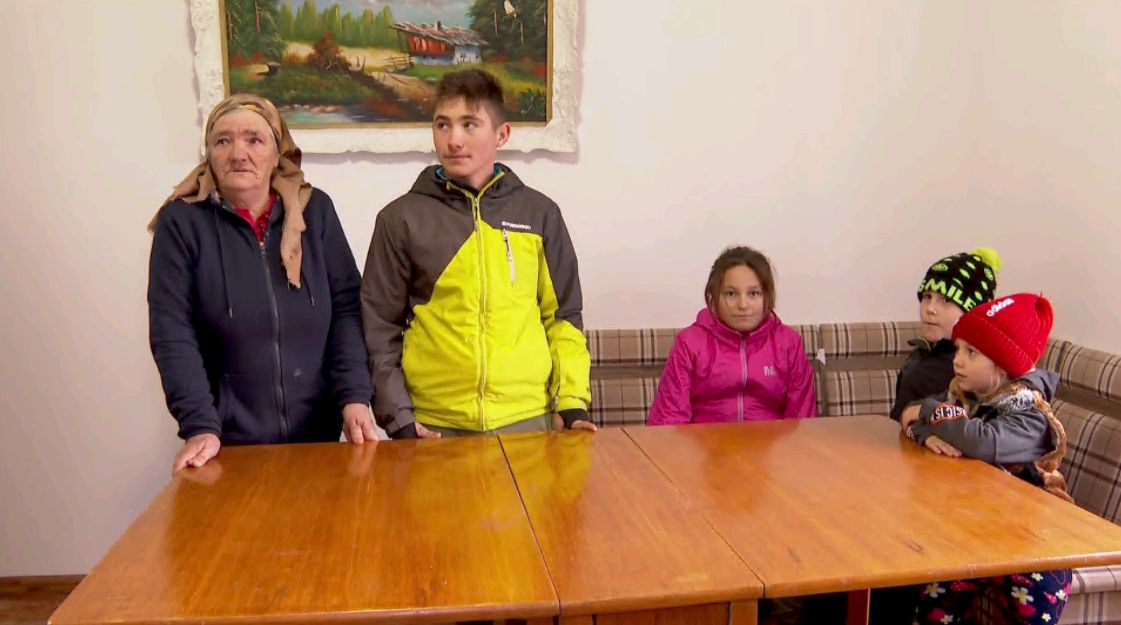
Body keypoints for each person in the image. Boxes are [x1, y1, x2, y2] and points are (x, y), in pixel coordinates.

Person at [360, 69, 594, 438]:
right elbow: (379, 328)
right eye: (443, 125)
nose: (453, 140)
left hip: (528, 421)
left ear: (502, 134)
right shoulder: (399, 219)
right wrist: (399, 419)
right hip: (433, 425)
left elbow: (563, 317)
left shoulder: (540, 214)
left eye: (469, 124)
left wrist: (571, 401)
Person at [148, 94, 374, 474]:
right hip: (227, 446)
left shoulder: (315, 211)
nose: (239, 153)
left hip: (320, 439)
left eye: (254, 140)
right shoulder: (182, 223)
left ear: (277, 154)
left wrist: (354, 395)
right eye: (223, 141)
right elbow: (172, 330)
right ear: (209, 155)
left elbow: (346, 308)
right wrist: (200, 425)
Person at [902, 293, 1073, 625]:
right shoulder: (967, 395)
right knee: (933, 601)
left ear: (1003, 364)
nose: (957, 360)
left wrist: (927, 411)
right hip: (978, 527)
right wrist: (927, 434)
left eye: (972, 352)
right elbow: (912, 417)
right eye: (958, 349)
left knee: (1035, 600)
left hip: (1033, 539)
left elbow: (982, 441)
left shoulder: (1030, 413)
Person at [647, 245, 816, 424]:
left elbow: (802, 421)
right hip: (705, 442)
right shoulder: (688, 344)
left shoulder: (789, 344)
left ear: (767, 296)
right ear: (714, 297)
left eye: (753, 293)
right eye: (731, 294)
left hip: (772, 442)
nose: (743, 305)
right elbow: (668, 422)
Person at [889, 247, 1001, 422]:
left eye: (946, 300)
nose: (930, 309)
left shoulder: (974, 368)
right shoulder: (921, 352)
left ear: (972, 312)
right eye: (927, 297)